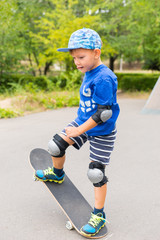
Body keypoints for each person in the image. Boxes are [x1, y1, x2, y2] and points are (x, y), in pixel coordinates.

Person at [35, 28, 120, 237]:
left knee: (96, 173)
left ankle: (99, 215)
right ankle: (57, 174)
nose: (77, 62)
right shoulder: (89, 71)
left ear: (96, 53)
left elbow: (104, 113)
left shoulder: (104, 78)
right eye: (74, 58)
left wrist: (79, 130)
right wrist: (79, 127)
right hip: (82, 122)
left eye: (81, 57)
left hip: (103, 131)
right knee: (55, 146)